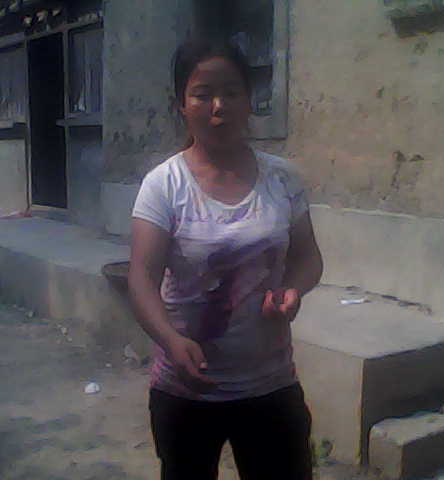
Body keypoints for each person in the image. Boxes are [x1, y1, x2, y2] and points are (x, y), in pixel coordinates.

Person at [128, 38, 324, 480]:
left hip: (270, 386)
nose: (219, 107)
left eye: (232, 92)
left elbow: (309, 257)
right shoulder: (164, 185)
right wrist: (169, 340)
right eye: (203, 94)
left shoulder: (282, 178)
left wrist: (292, 289)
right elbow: (141, 279)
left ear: (249, 100)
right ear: (181, 104)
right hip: (186, 390)